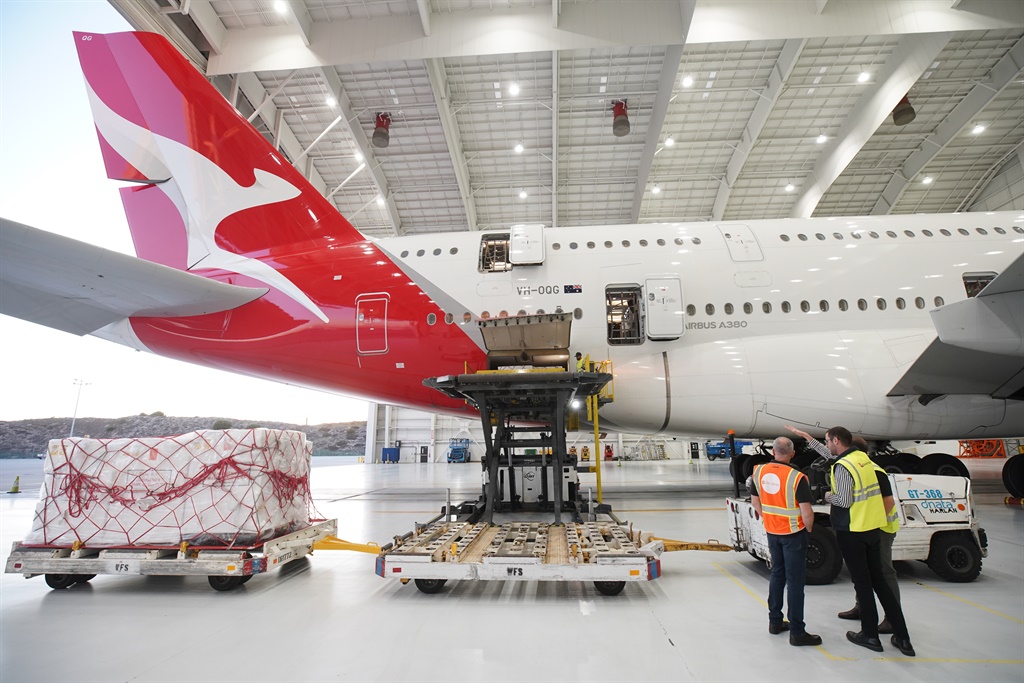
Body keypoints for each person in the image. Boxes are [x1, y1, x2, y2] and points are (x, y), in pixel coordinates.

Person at [785, 426, 900, 635]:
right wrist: (808, 438)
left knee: (883, 573)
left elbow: (888, 503)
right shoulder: (856, 463)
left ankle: (892, 618)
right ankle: (862, 607)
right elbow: (829, 452)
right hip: (862, 526)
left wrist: (870, 521)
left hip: (879, 528)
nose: (831, 449)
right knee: (861, 574)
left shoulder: (873, 470)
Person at [824, 426, 914, 656]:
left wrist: (826, 495)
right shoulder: (863, 460)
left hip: (852, 529)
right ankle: (903, 638)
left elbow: (843, 500)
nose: (826, 446)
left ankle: (870, 636)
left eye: (827, 442)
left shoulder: (843, 466)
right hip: (872, 529)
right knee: (880, 583)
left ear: (836, 440)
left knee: (863, 583)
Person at [749, 437, 822, 646]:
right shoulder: (797, 477)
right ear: (792, 454)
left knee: (777, 575)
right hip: (794, 534)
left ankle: (775, 622)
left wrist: (769, 519)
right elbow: (807, 512)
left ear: (773, 452)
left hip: (772, 532)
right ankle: (797, 632)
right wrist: (807, 531)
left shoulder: (759, 472)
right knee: (796, 582)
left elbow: (756, 502)